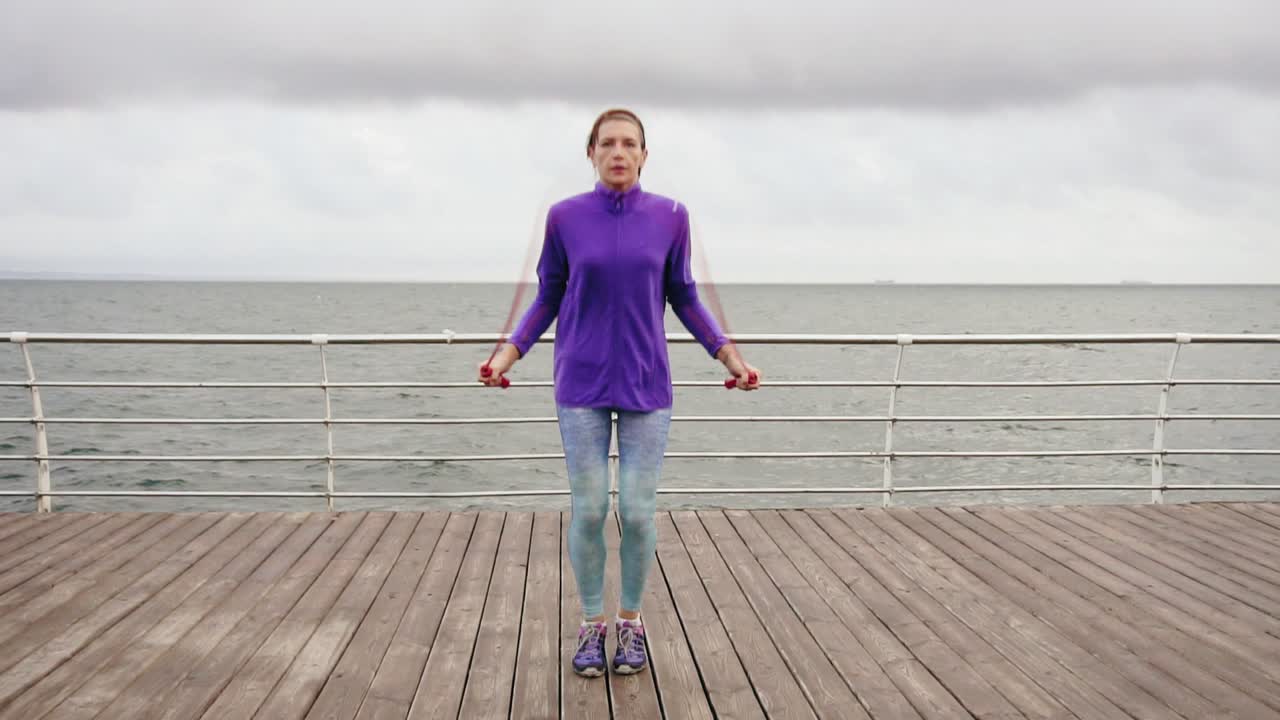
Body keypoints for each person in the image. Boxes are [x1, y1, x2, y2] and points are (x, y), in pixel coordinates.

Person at [479, 108, 760, 678]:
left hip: (646, 383)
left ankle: (630, 623)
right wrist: (507, 354)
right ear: (591, 152)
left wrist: (728, 356)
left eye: (630, 143)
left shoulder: (670, 217)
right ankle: (591, 625)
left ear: (644, 154)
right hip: (580, 383)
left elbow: (684, 296)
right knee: (588, 510)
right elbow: (547, 297)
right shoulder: (564, 218)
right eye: (608, 143)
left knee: (635, 509)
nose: (618, 152)